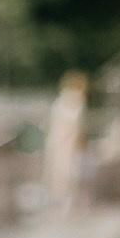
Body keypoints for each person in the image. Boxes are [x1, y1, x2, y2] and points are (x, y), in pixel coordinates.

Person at [47, 70, 90, 209]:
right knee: (67, 174)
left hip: (63, 145)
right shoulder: (74, 104)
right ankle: (65, 202)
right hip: (66, 145)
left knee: (63, 174)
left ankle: (63, 202)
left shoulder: (61, 103)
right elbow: (78, 127)